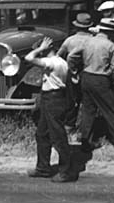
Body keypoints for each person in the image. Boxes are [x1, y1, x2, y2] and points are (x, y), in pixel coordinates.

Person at [68, 19, 114, 154]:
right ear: (110, 32)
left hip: (86, 77)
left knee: (88, 111)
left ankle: (85, 142)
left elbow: (71, 56)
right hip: (101, 79)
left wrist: (74, 71)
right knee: (111, 111)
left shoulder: (87, 41)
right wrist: (112, 78)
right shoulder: (110, 45)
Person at [25, 37, 77, 182]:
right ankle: (43, 167)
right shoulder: (62, 62)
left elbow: (29, 58)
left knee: (58, 136)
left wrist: (40, 48)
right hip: (56, 98)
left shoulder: (51, 62)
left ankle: (66, 171)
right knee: (42, 134)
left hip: (52, 99)